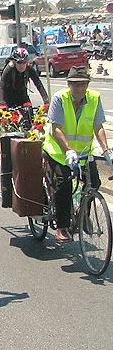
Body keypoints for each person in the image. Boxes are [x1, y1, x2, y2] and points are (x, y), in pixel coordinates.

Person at [43, 66, 112, 243]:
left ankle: (82, 213)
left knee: (94, 182)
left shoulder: (94, 99)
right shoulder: (60, 98)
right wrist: (68, 151)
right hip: (58, 151)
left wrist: (106, 150)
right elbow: (56, 128)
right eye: (75, 85)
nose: (79, 88)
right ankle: (62, 227)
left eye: (83, 84)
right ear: (69, 84)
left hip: (83, 152)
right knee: (64, 185)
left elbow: (98, 127)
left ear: (87, 84)